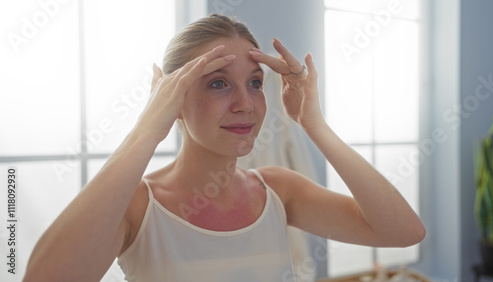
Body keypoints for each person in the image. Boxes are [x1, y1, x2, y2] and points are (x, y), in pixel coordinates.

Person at [23, 14, 425, 282]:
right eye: (218, 82)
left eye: (254, 82)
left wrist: (313, 123)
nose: (245, 103)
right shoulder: (138, 206)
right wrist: (147, 130)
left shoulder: (278, 191)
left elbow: (404, 231)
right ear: (173, 99)